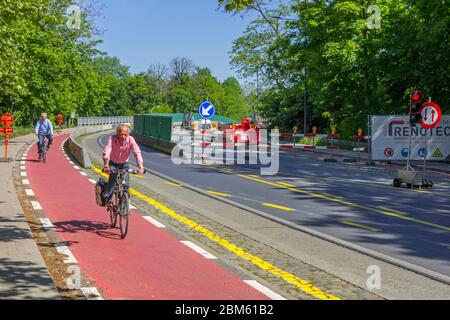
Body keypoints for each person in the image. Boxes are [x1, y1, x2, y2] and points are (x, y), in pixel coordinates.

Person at [102, 124, 144, 202]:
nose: (123, 137)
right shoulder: (112, 139)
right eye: (121, 134)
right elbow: (107, 151)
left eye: (125, 134)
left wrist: (140, 166)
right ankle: (107, 195)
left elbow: (137, 152)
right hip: (113, 163)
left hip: (124, 164)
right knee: (113, 180)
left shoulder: (131, 140)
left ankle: (124, 202)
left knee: (126, 185)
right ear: (117, 133)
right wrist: (106, 165)